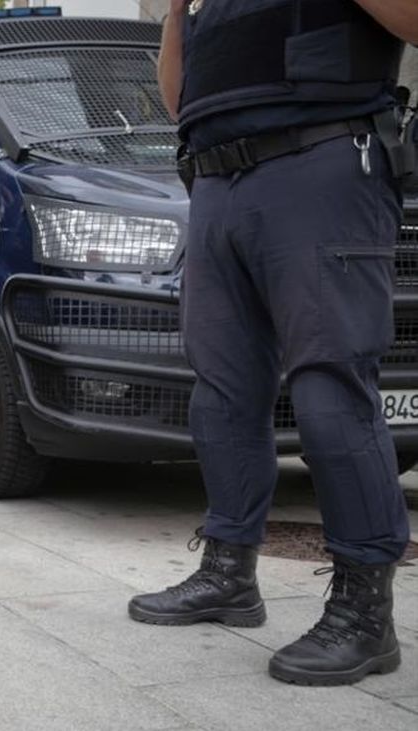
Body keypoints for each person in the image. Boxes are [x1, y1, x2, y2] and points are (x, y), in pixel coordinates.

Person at [130, 0, 417, 686]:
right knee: (222, 390)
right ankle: (229, 571)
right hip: (217, 180)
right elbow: (179, 98)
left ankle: (365, 611)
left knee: (328, 388)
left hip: (320, 159)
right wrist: (176, 10)